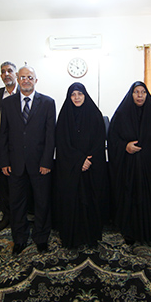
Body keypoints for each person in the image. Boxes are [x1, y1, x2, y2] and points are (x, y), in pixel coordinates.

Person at [0, 65, 56, 254]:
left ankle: (41, 238)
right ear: (17, 79)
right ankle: (20, 239)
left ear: (36, 80)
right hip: (15, 164)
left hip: (40, 164)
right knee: (17, 204)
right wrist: (4, 161)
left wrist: (47, 161)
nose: (26, 80)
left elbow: (50, 135)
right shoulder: (7, 104)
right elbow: (3, 134)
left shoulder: (48, 103)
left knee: (42, 202)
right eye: (22, 77)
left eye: (30, 77)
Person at [108, 81, 151, 246]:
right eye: (136, 92)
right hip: (129, 167)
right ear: (131, 94)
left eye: (143, 92)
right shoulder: (121, 113)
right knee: (130, 198)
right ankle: (130, 232)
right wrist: (125, 146)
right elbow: (112, 139)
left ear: (147, 94)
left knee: (150, 200)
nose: (139, 95)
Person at [55, 83, 107, 249]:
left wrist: (88, 160)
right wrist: (79, 160)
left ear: (85, 95)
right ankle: (72, 237)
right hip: (71, 169)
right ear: (69, 97)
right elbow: (62, 143)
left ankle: (91, 236)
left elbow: (100, 140)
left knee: (90, 201)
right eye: (73, 94)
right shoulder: (64, 116)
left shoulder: (95, 114)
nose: (76, 97)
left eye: (80, 94)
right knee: (72, 202)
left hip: (91, 168)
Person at [0, 61, 18, 231]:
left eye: (9, 71)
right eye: (3, 71)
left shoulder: (24, 92)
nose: (6, 74)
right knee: (3, 182)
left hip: (19, 145)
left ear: (15, 74)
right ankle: (6, 215)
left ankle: (19, 215)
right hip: (0, 143)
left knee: (18, 181)